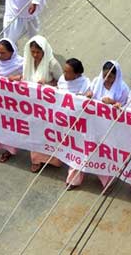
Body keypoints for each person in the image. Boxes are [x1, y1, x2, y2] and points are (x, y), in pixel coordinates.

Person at [19, 35, 63, 172]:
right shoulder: (28, 61)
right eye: (33, 52)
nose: (35, 55)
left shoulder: (52, 63)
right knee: (34, 131)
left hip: (48, 105)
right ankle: (36, 159)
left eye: (38, 52)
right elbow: (25, 77)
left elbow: (61, 82)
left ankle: (52, 159)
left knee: (49, 132)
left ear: (44, 51)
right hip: (31, 103)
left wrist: (47, 84)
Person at [86, 60, 129, 189]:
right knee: (88, 148)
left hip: (111, 127)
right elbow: (88, 96)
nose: (107, 79)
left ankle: (106, 178)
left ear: (116, 76)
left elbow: (126, 107)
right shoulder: (96, 82)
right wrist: (87, 96)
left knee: (105, 153)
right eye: (105, 75)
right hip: (93, 123)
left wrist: (114, 102)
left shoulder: (123, 88)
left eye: (110, 76)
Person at [57, 58, 91, 189]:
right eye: (64, 71)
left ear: (76, 74)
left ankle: (73, 180)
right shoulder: (62, 79)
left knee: (77, 152)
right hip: (62, 121)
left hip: (79, 125)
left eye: (68, 72)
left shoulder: (86, 84)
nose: (64, 74)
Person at [0, 38, 24, 162]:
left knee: (15, 126)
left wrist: (18, 78)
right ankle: (7, 149)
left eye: (3, 53)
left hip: (15, 103)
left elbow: (28, 78)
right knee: (2, 125)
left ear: (12, 52)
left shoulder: (21, 63)